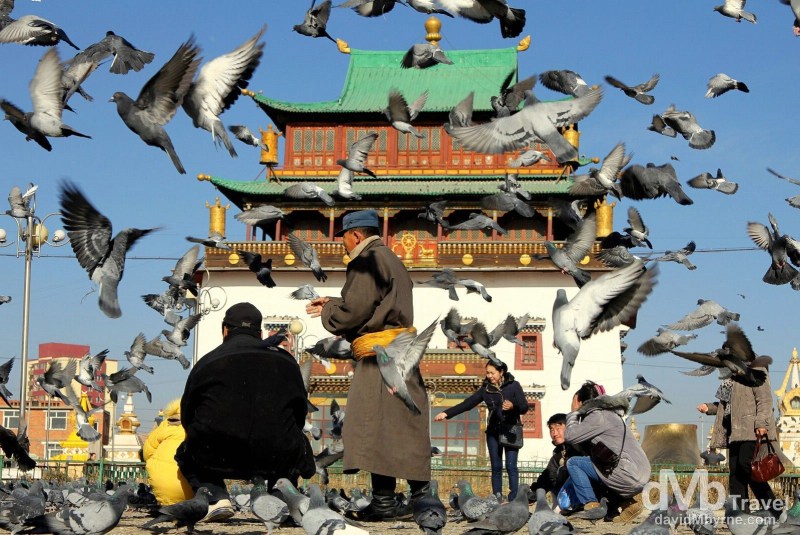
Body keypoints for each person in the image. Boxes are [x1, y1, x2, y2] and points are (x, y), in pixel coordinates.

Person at [306, 209, 430, 521]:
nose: (343, 246)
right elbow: (377, 303)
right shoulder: (393, 260)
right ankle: (421, 499)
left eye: (344, 239)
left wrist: (330, 310)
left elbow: (353, 313)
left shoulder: (365, 260)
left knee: (374, 426)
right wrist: (336, 300)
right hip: (403, 355)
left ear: (357, 235)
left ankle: (386, 502)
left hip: (379, 358)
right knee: (404, 427)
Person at [177, 302, 315, 522]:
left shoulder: (208, 361)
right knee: (296, 441)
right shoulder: (286, 361)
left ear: (225, 330)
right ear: (260, 333)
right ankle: (280, 495)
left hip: (218, 452)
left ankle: (216, 495)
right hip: (276, 454)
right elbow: (299, 412)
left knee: (187, 449)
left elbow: (188, 415)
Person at [697, 370, 788, 517]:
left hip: (751, 430)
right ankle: (740, 515)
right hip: (735, 432)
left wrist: (761, 424)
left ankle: (774, 509)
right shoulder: (730, 379)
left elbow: (764, 400)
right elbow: (727, 406)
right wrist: (709, 408)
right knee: (735, 475)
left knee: (748, 468)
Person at [434, 360, 529, 500]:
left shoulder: (514, 386)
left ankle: (514, 497)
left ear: (501, 372)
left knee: (511, 466)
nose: (489, 376)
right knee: (496, 467)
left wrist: (513, 406)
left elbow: (524, 407)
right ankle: (497, 496)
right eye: (487, 373)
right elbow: (467, 404)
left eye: (492, 372)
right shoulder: (486, 389)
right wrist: (446, 413)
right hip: (493, 432)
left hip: (511, 430)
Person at [562, 380, 650, 522]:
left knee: (575, 463)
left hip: (627, 474)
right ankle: (627, 504)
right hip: (642, 474)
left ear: (581, 401)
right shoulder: (613, 415)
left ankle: (591, 505)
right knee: (598, 462)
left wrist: (573, 413)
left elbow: (570, 436)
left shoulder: (597, 416)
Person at [143, 398, 193, 505]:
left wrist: (153, 462)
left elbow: (147, 451)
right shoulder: (198, 422)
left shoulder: (166, 424)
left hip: (162, 483)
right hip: (193, 487)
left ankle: (168, 507)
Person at [530, 413, 581, 501]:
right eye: (551, 430)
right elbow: (548, 474)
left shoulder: (579, 447)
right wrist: (536, 491)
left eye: (558, 429)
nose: (555, 434)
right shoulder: (558, 453)